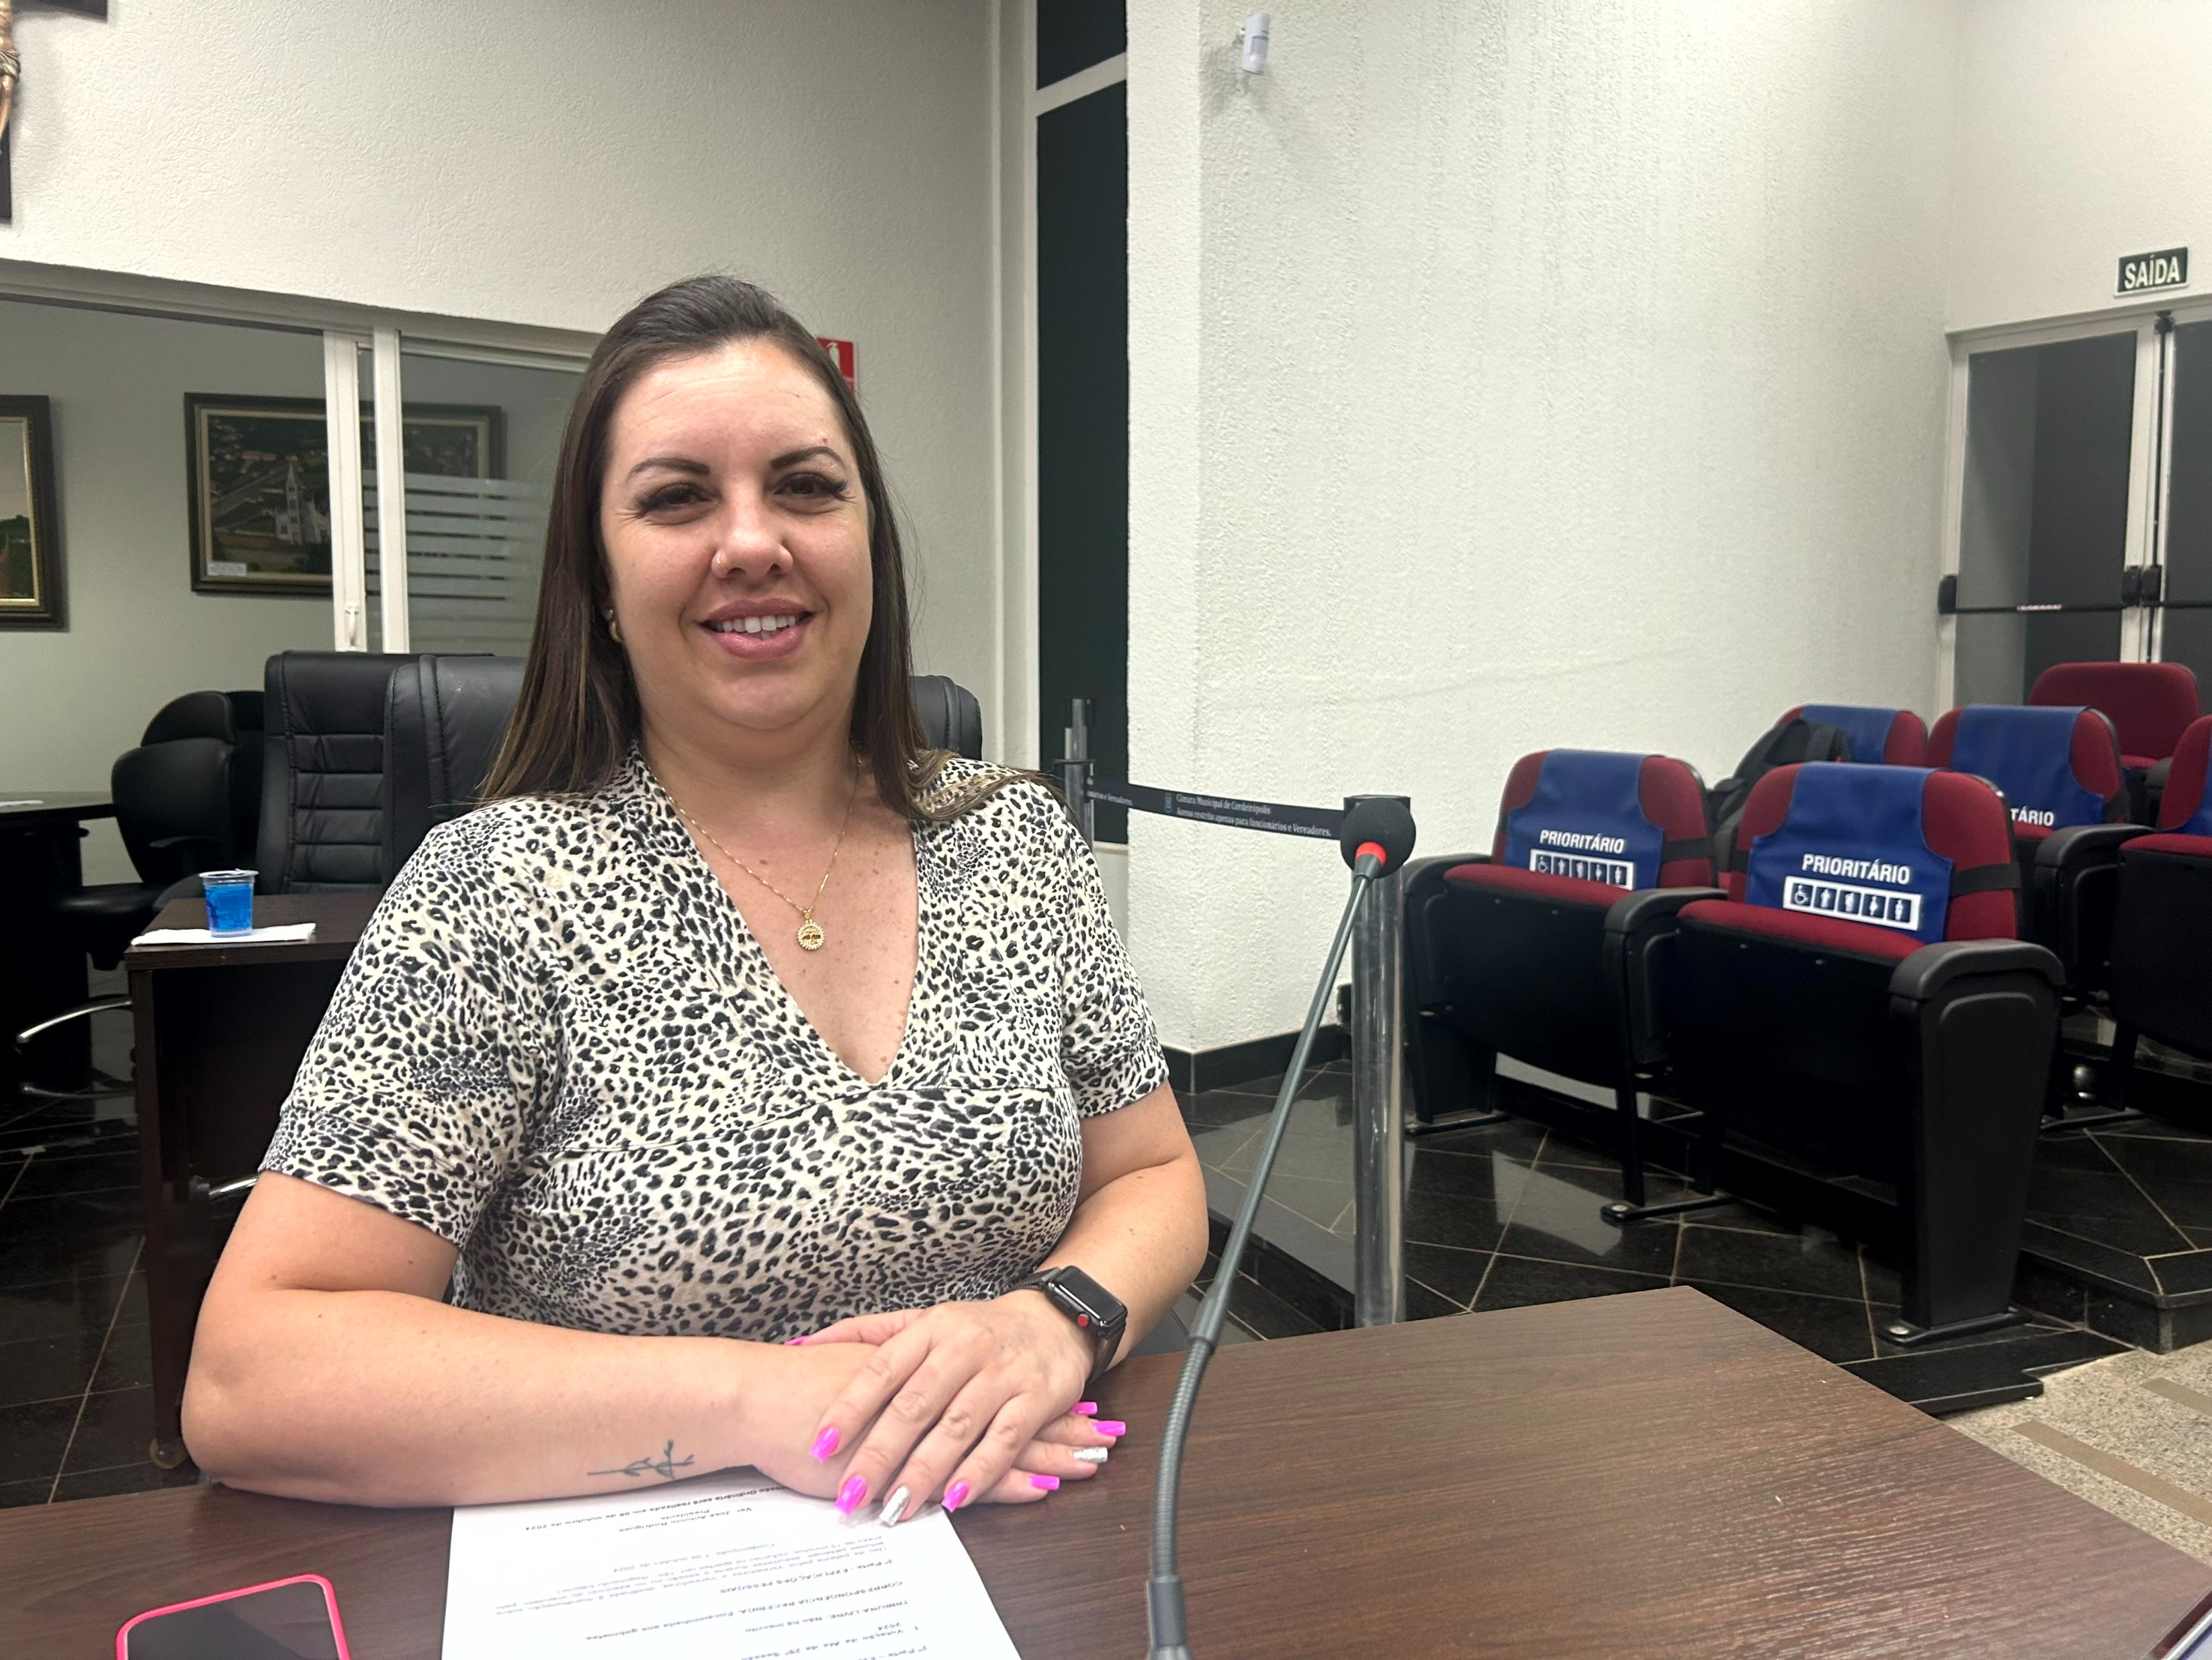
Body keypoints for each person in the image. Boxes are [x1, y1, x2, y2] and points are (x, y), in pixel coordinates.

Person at [183, 275, 1208, 1524]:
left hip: (1030, 1548)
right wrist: (761, 1404)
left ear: (869, 543)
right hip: (649, 1575)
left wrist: (1058, 1318)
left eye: (806, 486)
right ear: (600, 585)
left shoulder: (1012, 839)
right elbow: (251, 1375)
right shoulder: (496, 892)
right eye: (677, 497)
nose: (752, 541)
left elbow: (1154, 1172)